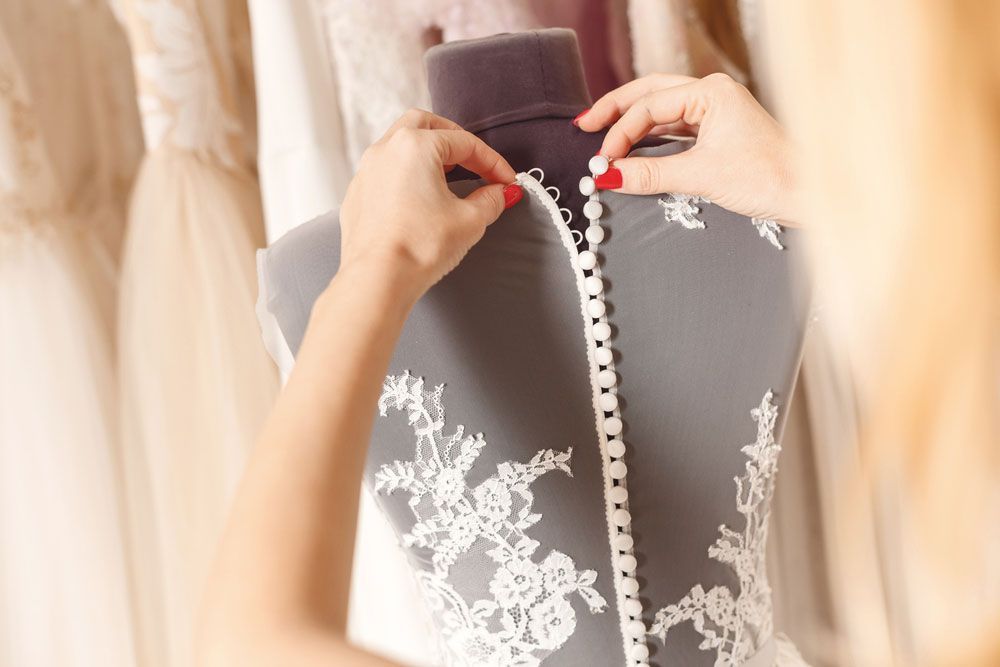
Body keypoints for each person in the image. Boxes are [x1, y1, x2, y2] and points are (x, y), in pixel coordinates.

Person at [198, 7, 1000, 659]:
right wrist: (818, 192)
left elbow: (251, 643)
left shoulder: (333, 270)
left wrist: (375, 269)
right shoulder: (781, 210)